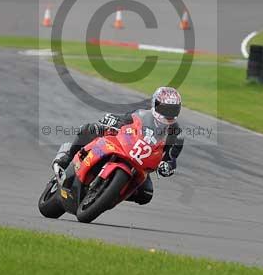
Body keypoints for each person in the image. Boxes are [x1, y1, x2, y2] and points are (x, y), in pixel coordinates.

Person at [52, 86, 184, 205]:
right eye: (165, 108)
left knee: (146, 195)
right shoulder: (142, 114)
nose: (168, 113)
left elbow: (172, 159)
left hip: (142, 163)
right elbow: (124, 119)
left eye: (173, 109)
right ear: (155, 104)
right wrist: (111, 120)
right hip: (124, 146)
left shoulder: (176, 134)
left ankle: (110, 194)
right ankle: (66, 159)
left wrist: (167, 166)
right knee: (89, 129)